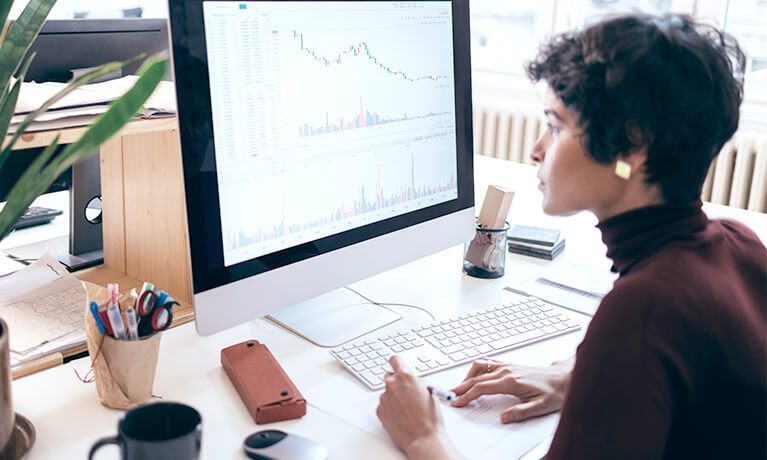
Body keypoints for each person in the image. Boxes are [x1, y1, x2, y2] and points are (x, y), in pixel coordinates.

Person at [376, 13, 766, 460]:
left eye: (556, 126)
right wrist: (573, 376)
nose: (536, 149)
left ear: (632, 149)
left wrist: (425, 438)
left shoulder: (642, 311)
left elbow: (648, 338)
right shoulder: (741, 244)